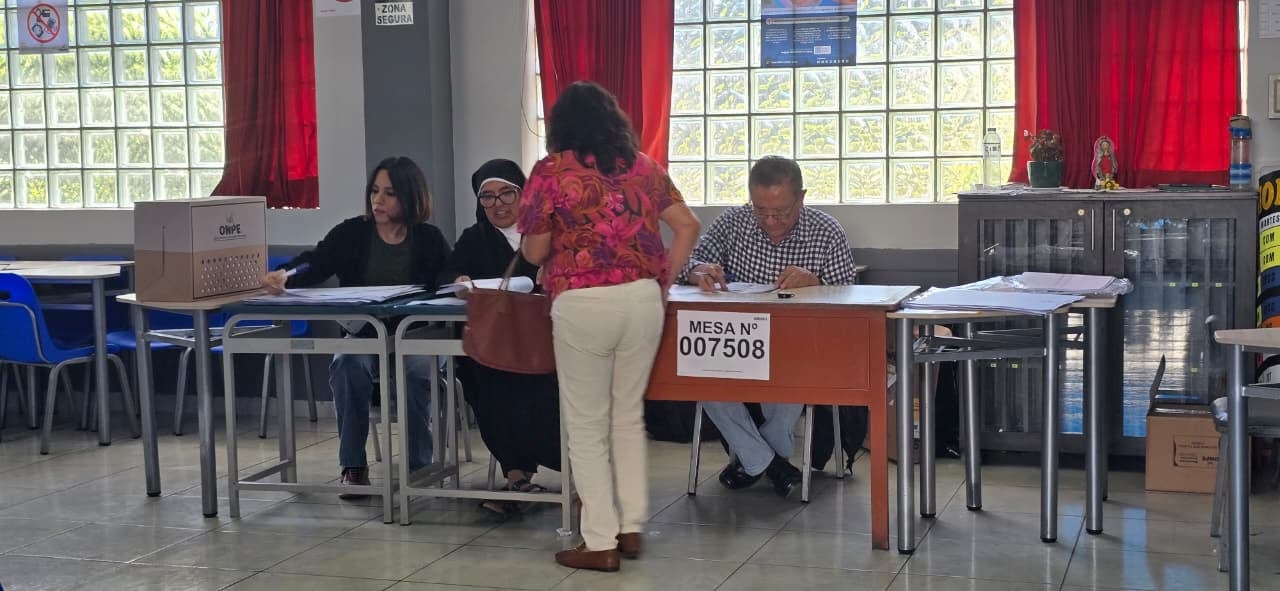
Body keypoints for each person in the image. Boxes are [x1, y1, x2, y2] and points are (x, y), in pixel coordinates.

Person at [520, 81, 701, 572]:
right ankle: (631, 528)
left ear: (560, 126)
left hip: (583, 303)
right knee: (626, 416)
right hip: (643, 301)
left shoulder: (550, 172)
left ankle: (598, 540)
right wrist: (663, 281)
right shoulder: (643, 166)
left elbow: (534, 252)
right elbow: (688, 224)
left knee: (586, 424)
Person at [262, 156, 451, 497]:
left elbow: (447, 280)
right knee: (347, 364)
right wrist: (285, 274)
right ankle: (353, 465)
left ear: (410, 197)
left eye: (389, 193)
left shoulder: (429, 239)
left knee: (418, 369)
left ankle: (419, 467)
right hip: (364, 335)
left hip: (415, 337)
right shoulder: (352, 233)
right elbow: (316, 262)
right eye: (375, 191)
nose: (378, 200)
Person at [679, 156, 858, 498]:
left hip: (800, 346)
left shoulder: (827, 231)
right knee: (695, 365)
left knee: (792, 373)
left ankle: (754, 460)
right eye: (761, 211)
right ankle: (771, 463)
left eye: (782, 211)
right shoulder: (732, 223)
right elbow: (689, 259)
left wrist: (818, 282)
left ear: (801, 198)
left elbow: (850, 298)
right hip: (736, 342)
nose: (772, 221)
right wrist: (697, 270)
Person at [440, 158, 562, 516]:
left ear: (523, 194)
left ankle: (536, 473)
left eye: (506, 193)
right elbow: (448, 273)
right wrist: (460, 281)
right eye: (487, 197)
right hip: (496, 344)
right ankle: (516, 476)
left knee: (539, 387)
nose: (498, 204)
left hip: (545, 340)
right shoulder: (474, 238)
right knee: (484, 380)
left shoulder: (545, 232)